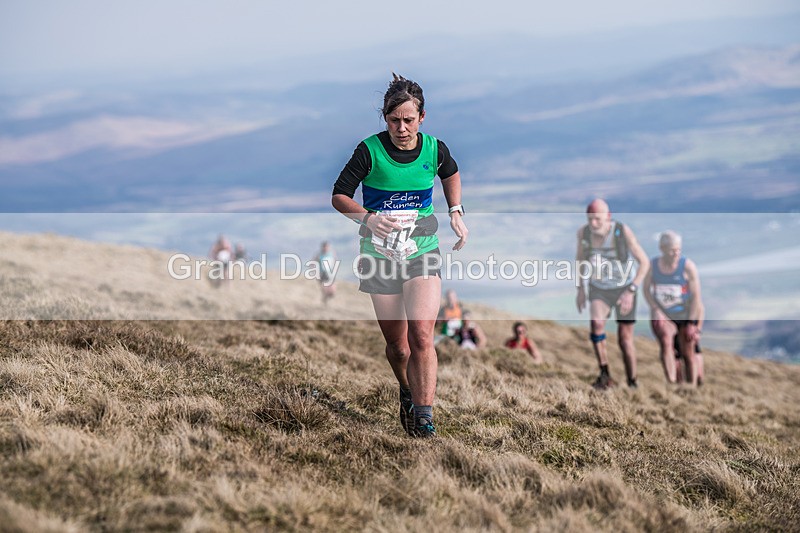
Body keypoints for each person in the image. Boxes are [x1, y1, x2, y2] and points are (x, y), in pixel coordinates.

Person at [331, 74, 468, 438]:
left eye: (409, 120)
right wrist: (369, 219)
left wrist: (456, 210)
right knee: (398, 346)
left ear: (422, 117)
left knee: (422, 335)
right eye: (395, 120)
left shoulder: (434, 149)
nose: (402, 128)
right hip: (379, 255)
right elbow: (339, 195)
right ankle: (407, 391)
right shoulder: (369, 151)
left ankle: (424, 419)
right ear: (385, 118)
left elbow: (450, 172)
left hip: (422, 249)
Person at [576, 199, 649, 389]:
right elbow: (579, 261)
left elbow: (644, 262)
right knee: (596, 323)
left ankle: (632, 381)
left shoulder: (621, 232)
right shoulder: (583, 234)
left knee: (625, 339)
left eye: (597, 219)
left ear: (608, 217)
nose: (593, 224)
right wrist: (580, 289)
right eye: (590, 219)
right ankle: (604, 374)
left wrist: (631, 291)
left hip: (624, 287)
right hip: (599, 287)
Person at [643, 230, 705, 386]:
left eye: (678, 249)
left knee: (688, 351)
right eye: (672, 250)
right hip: (665, 315)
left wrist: (692, 324)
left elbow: (696, 298)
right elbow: (645, 290)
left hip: (685, 314)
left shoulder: (688, 267)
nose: (676, 253)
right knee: (666, 341)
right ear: (662, 249)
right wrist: (655, 308)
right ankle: (672, 383)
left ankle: (692, 387)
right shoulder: (653, 266)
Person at [314, 241, 337, 305]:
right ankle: (325, 302)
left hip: (330, 273)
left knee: (332, 292)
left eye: (327, 247)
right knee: (324, 290)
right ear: (322, 247)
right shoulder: (319, 255)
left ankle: (326, 299)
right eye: (325, 247)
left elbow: (335, 261)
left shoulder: (332, 254)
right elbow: (314, 262)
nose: (326, 248)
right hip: (322, 274)